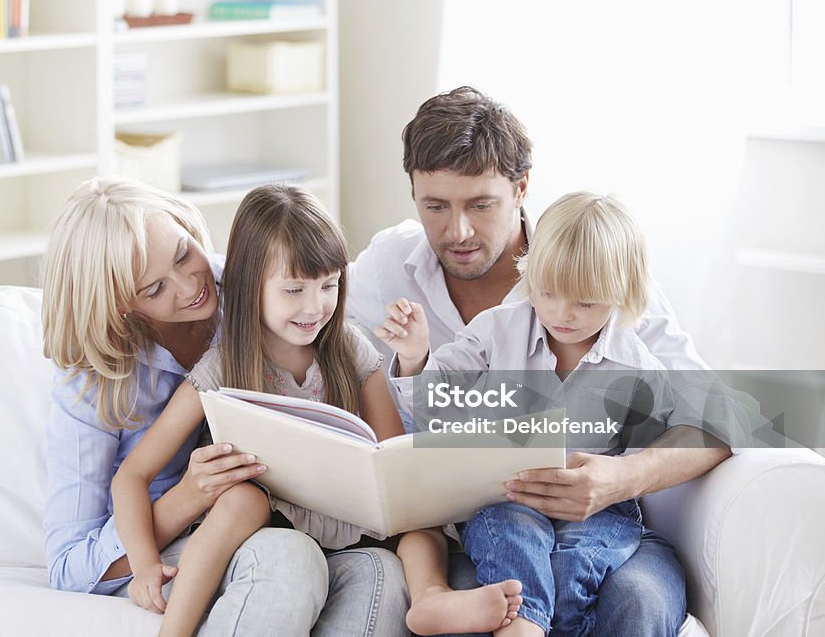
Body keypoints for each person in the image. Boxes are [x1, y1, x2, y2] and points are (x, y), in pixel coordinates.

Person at [347, 87, 732, 636]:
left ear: (521, 188)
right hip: (478, 515)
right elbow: (294, 299)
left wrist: (620, 477)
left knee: (635, 596)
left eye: (480, 204)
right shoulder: (393, 266)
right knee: (509, 544)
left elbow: (719, 416)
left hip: (597, 513)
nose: (456, 231)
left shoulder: (599, 270)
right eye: (435, 206)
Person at [111, 183, 523, 637]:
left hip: (354, 525)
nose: (315, 306)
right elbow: (132, 475)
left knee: (418, 511)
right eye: (293, 290)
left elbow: (390, 456)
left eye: (328, 285)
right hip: (270, 520)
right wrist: (146, 562)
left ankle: (430, 597)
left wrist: (412, 363)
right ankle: (175, 630)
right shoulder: (223, 365)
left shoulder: (348, 347)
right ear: (251, 286)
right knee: (241, 499)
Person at [41, 178, 409, 636]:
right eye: (155, 288)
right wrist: (185, 502)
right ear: (120, 305)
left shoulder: (258, 288)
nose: (191, 284)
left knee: (379, 574)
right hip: (184, 536)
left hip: (293, 518)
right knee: (287, 556)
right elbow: (67, 565)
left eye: (183, 254)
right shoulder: (93, 383)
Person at [381, 192, 687, 636]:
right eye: (548, 293)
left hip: (596, 511)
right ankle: (523, 626)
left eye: (586, 302)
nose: (562, 314)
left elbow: (673, 437)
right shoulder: (495, 329)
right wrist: (415, 358)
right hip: (508, 497)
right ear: (531, 274)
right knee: (509, 531)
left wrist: (625, 471)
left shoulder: (635, 362)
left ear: (622, 294)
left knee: (575, 563)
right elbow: (435, 402)